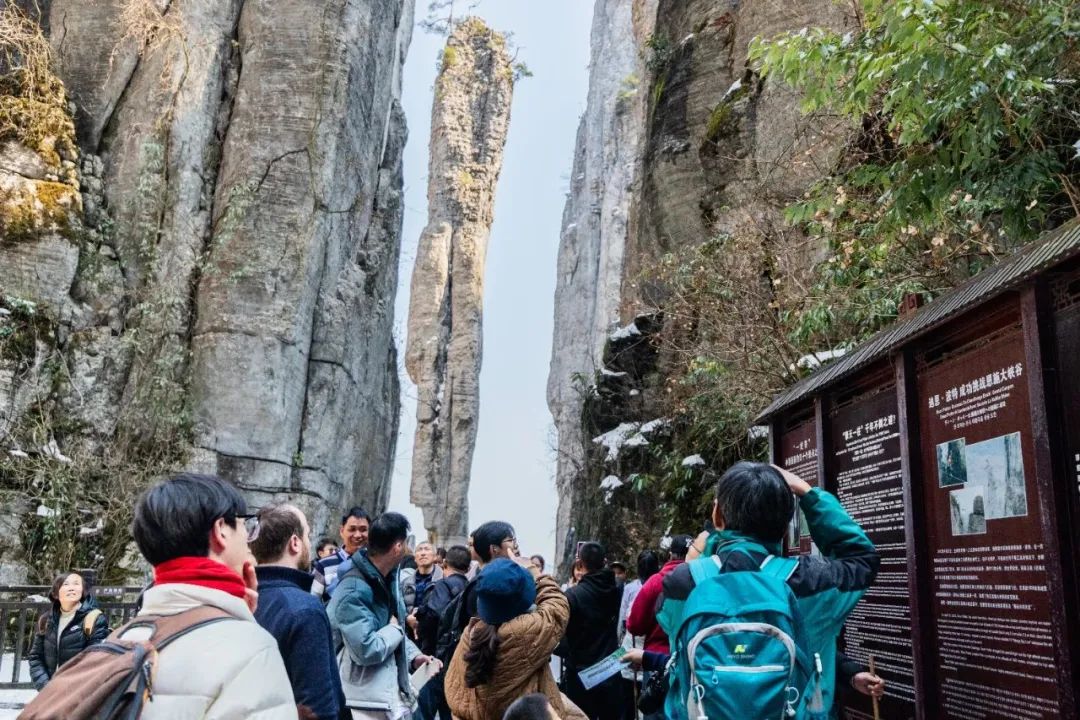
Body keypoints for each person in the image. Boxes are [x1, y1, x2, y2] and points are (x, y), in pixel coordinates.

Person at [658, 463, 879, 718]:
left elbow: (671, 622)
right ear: (785, 529)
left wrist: (709, 548)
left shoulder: (681, 585)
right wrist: (808, 494)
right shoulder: (813, 582)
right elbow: (862, 560)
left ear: (718, 517)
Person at [127, 472, 296, 717]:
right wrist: (241, 623)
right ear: (221, 531)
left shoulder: (122, 639)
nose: (249, 540)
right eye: (244, 526)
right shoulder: (251, 650)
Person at [444, 557, 586, 720]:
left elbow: (455, 693)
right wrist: (532, 570)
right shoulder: (526, 631)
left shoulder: (471, 634)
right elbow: (557, 606)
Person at [329, 511, 440, 719]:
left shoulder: (388, 577)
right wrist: (396, 628)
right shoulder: (353, 590)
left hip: (385, 693)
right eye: (406, 543)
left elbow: (392, 631)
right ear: (398, 547)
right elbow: (367, 649)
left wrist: (415, 657)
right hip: (360, 701)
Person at [250, 503, 345, 720]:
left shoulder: (240, 600)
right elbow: (317, 708)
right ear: (295, 543)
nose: (309, 544)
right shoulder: (304, 610)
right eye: (307, 536)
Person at [418, 521, 519, 720]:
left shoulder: (483, 582)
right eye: (510, 540)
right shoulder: (486, 586)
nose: (515, 545)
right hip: (480, 673)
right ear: (494, 549)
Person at [556, 542, 621, 720]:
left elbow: (562, 635)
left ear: (580, 563)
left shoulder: (573, 595)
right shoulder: (617, 589)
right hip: (610, 667)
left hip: (581, 672)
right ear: (605, 561)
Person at [27, 571, 109, 689]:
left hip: (79, 693)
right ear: (55, 593)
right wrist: (45, 687)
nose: (71, 588)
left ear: (83, 591)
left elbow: (95, 660)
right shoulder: (46, 620)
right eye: (66, 584)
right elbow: (35, 657)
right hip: (50, 693)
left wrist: (70, 690)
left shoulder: (94, 619)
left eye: (76, 584)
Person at [625, 535, 691, 655]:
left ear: (670, 555)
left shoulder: (655, 582)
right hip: (690, 655)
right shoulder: (702, 581)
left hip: (656, 655)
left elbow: (635, 626)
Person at [616, 550, 659, 720]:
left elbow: (622, 622)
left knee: (628, 703)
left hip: (630, 651)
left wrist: (618, 644)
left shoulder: (631, 589)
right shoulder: (664, 587)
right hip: (653, 655)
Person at [412, 545, 471, 656]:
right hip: (463, 644)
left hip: (441, 647)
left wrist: (420, 624)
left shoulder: (443, 584)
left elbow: (434, 613)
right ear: (468, 569)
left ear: (444, 563)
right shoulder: (470, 586)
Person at [312, 506, 371, 602]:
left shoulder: (375, 564)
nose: (357, 535)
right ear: (342, 531)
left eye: (363, 530)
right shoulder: (324, 565)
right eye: (352, 529)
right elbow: (313, 600)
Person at [402, 541, 443, 614]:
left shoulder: (443, 580)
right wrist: (407, 618)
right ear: (415, 558)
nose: (423, 553)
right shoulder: (405, 583)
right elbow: (399, 607)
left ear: (435, 557)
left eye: (427, 549)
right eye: (419, 550)